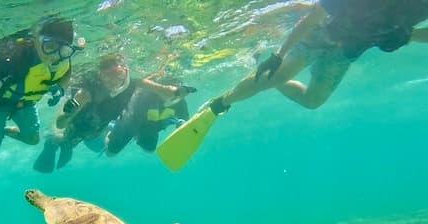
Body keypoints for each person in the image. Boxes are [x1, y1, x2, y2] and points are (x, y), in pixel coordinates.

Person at [199, 0, 428, 117]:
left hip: (346, 53)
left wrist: (410, 35)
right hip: (319, 34)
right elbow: (310, 19)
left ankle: (269, 77)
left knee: (312, 102)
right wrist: (278, 55)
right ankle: (220, 104)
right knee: (278, 74)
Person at [0, 16, 80, 180]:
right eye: (49, 46)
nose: (55, 56)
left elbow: (66, 74)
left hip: (25, 102)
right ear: (36, 41)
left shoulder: (63, 61)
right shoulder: (15, 59)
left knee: (33, 139)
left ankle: (0, 131)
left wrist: (60, 89)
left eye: (64, 51)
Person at [33, 53, 193, 172]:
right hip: (81, 126)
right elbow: (61, 123)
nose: (114, 81)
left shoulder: (136, 83)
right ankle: (52, 144)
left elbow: (165, 91)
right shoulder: (86, 93)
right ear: (100, 77)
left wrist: (180, 91)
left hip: (99, 127)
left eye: (119, 74)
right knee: (64, 139)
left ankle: (61, 146)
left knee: (89, 142)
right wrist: (69, 113)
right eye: (108, 77)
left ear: (126, 71)